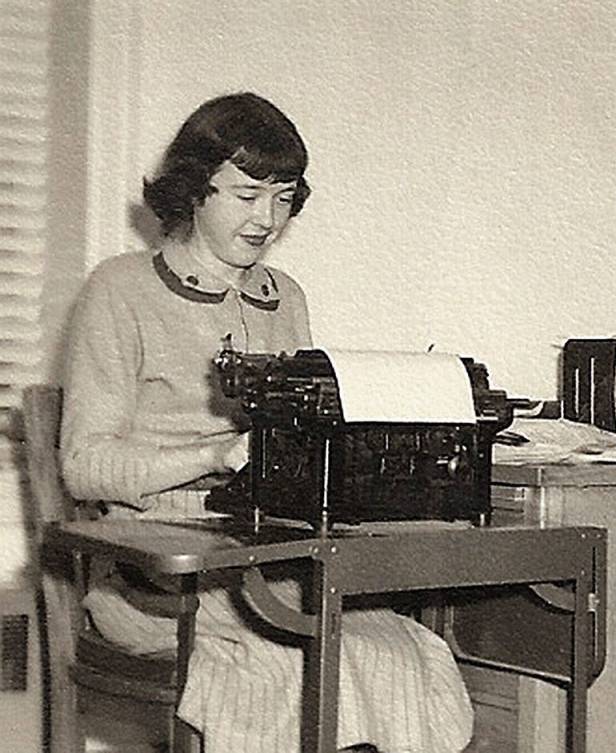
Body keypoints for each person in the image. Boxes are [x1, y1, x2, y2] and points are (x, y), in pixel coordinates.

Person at [60, 92, 473, 753]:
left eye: (283, 197)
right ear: (194, 188)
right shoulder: (121, 288)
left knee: (404, 649)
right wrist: (217, 452)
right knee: (299, 666)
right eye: (248, 194)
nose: (268, 219)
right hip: (158, 581)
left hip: (270, 567)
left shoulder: (285, 297)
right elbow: (84, 463)